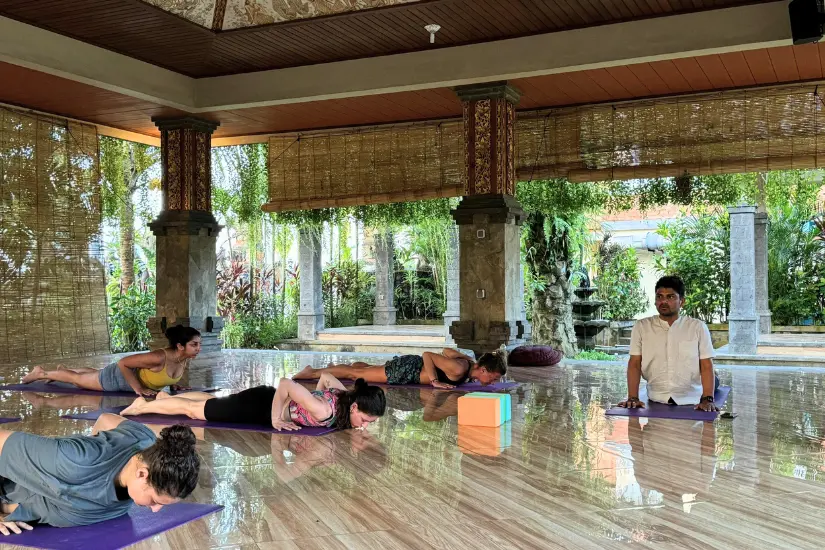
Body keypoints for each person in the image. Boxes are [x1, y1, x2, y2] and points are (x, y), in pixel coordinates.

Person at [0, 414, 199, 535]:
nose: (155, 511)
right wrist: (93, 456)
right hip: (15, 495)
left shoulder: (146, 440)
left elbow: (106, 419)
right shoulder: (74, 461)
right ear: (142, 474)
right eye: (156, 501)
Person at [120, 373, 386, 432]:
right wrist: (276, 418)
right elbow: (286, 384)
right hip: (259, 406)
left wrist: (311, 396)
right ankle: (142, 406)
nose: (363, 426)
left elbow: (326, 378)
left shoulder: (344, 395)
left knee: (215, 402)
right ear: (354, 407)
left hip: (263, 399)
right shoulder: (325, 410)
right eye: (365, 420)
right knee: (195, 413)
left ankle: (166, 398)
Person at [618, 276, 719, 412]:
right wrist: (632, 398)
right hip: (656, 396)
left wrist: (707, 399)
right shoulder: (642, 326)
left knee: (715, 381)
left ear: (682, 301)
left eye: (670, 297)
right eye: (659, 297)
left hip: (691, 396)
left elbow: (706, 365)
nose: (663, 301)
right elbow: (634, 363)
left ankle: (716, 380)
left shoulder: (697, 327)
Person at [21, 325, 201, 397]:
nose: (198, 348)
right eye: (194, 344)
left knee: (92, 373)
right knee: (77, 381)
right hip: (115, 379)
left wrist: (173, 385)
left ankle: (64, 369)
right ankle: (41, 373)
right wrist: (138, 389)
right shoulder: (158, 357)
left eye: (199, 344)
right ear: (180, 346)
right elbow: (123, 363)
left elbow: (164, 375)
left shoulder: (183, 358)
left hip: (119, 379)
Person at [292, 348, 507, 389]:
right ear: (485, 370)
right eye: (494, 378)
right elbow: (429, 355)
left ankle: (333, 367)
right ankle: (310, 373)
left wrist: (465, 357)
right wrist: (434, 381)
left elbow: (446, 350)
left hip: (410, 368)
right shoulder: (459, 369)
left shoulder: (467, 365)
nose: (494, 382)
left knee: (365, 368)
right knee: (355, 374)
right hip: (407, 370)